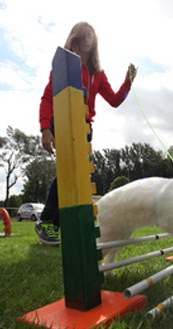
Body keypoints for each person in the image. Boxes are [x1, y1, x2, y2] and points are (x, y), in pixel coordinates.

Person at [35, 21, 137, 246]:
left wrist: (128, 81)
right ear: (75, 37)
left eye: (91, 35)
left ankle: (59, 225)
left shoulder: (97, 73)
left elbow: (114, 100)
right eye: (83, 34)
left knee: (78, 175)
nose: (87, 38)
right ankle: (46, 221)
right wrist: (45, 129)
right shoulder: (63, 64)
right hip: (61, 121)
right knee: (68, 171)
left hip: (85, 126)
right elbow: (47, 97)